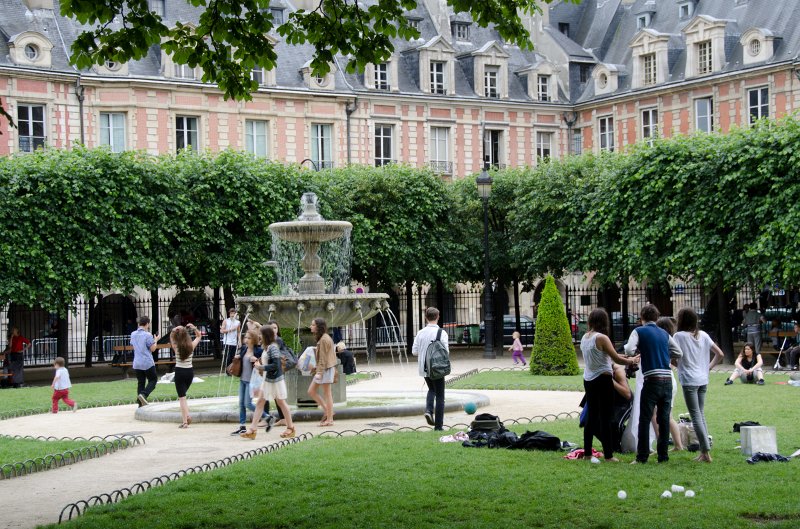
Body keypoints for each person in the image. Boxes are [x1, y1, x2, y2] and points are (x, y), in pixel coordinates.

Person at [625, 304, 682, 464]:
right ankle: (663, 456)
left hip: (651, 380)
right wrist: (663, 353)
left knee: (645, 418)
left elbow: (629, 350)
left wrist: (642, 351)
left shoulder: (639, 331)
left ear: (642, 318)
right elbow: (679, 352)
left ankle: (641, 457)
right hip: (667, 381)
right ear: (657, 318)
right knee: (664, 419)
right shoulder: (664, 333)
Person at [580, 308, 639, 462]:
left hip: (589, 380)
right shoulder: (602, 338)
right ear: (603, 321)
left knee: (592, 417)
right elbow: (616, 360)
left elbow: (607, 355)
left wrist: (626, 356)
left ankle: (587, 454)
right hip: (603, 380)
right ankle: (608, 456)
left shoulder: (585, 337)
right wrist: (631, 361)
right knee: (606, 417)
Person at [673, 308, 724, 463]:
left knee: (695, 415)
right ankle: (704, 450)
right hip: (703, 379)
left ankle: (705, 452)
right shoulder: (704, 335)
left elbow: (672, 356)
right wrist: (707, 368)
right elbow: (720, 354)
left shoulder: (679, 336)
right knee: (700, 414)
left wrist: (678, 365)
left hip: (689, 380)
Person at [242, 326, 296, 439]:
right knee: (260, 403)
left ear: (265, 335)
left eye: (260, 334)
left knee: (281, 402)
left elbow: (276, 365)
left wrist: (261, 367)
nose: (258, 336)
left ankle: (291, 428)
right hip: (268, 380)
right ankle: (252, 429)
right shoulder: (266, 347)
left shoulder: (273, 348)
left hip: (275, 381)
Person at [411, 307, 449, 431]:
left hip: (424, 367)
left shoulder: (420, 332)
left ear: (426, 317)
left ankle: (428, 410)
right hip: (437, 368)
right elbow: (446, 352)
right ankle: (438, 426)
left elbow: (414, 352)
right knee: (440, 396)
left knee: (431, 389)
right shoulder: (441, 333)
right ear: (438, 316)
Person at [653, 317, 685, 453]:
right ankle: (677, 445)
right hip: (669, 379)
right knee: (667, 415)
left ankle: (667, 444)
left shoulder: (661, 342)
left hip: (663, 379)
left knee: (659, 414)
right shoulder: (668, 342)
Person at [231, 329, 266, 436]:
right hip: (242, 379)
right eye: (245, 337)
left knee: (248, 404)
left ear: (254, 339)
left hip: (251, 381)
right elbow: (241, 361)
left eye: (249, 338)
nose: (246, 340)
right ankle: (242, 426)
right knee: (241, 404)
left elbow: (263, 363)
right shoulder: (244, 349)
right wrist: (237, 358)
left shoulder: (258, 351)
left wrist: (256, 360)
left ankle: (267, 417)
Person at [171, 323, 202, 428]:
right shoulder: (191, 346)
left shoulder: (176, 347)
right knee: (184, 396)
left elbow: (171, 337)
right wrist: (194, 328)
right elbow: (199, 336)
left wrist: (174, 330)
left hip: (179, 372)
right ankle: (186, 418)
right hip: (189, 372)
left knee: (182, 398)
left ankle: (185, 421)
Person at [308, 317, 336, 427]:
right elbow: (323, 358)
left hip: (326, 369)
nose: (311, 326)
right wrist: (316, 369)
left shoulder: (324, 339)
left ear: (318, 327)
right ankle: (328, 412)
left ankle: (330, 419)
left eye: (313, 325)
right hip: (324, 369)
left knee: (327, 393)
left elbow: (323, 358)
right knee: (311, 391)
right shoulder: (324, 338)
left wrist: (319, 372)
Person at [131, 316, 160, 406]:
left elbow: (133, 345)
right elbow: (152, 349)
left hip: (137, 362)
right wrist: (155, 340)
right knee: (153, 380)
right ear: (147, 324)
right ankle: (144, 394)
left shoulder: (133, 334)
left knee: (141, 382)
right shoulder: (148, 335)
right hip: (147, 362)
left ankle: (140, 404)